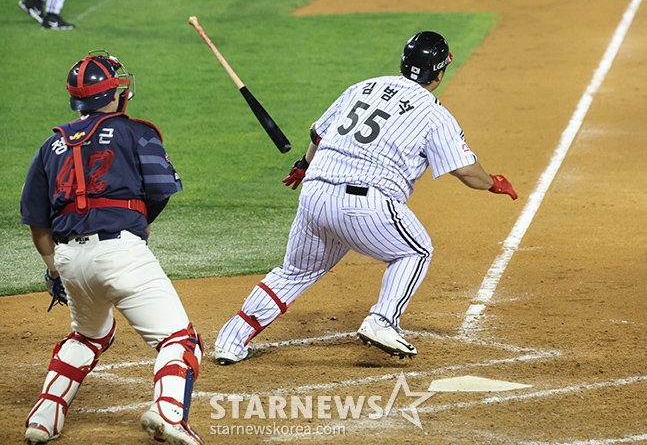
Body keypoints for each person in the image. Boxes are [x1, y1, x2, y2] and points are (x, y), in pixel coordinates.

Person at [214, 31, 518, 365]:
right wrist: (493, 183)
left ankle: (231, 340)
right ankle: (382, 320)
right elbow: (466, 171)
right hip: (364, 205)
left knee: (294, 272)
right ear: (440, 72)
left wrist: (303, 165)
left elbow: (318, 134)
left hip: (314, 195)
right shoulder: (434, 114)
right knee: (415, 251)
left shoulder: (363, 87)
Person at [20, 50, 204, 445]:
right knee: (179, 340)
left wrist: (55, 270)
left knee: (88, 335)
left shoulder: (49, 146)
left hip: (68, 257)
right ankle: (169, 414)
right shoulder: (136, 131)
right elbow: (160, 189)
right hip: (120, 252)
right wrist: (140, 222)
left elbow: (37, 222)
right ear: (115, 94)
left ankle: (42, 419)